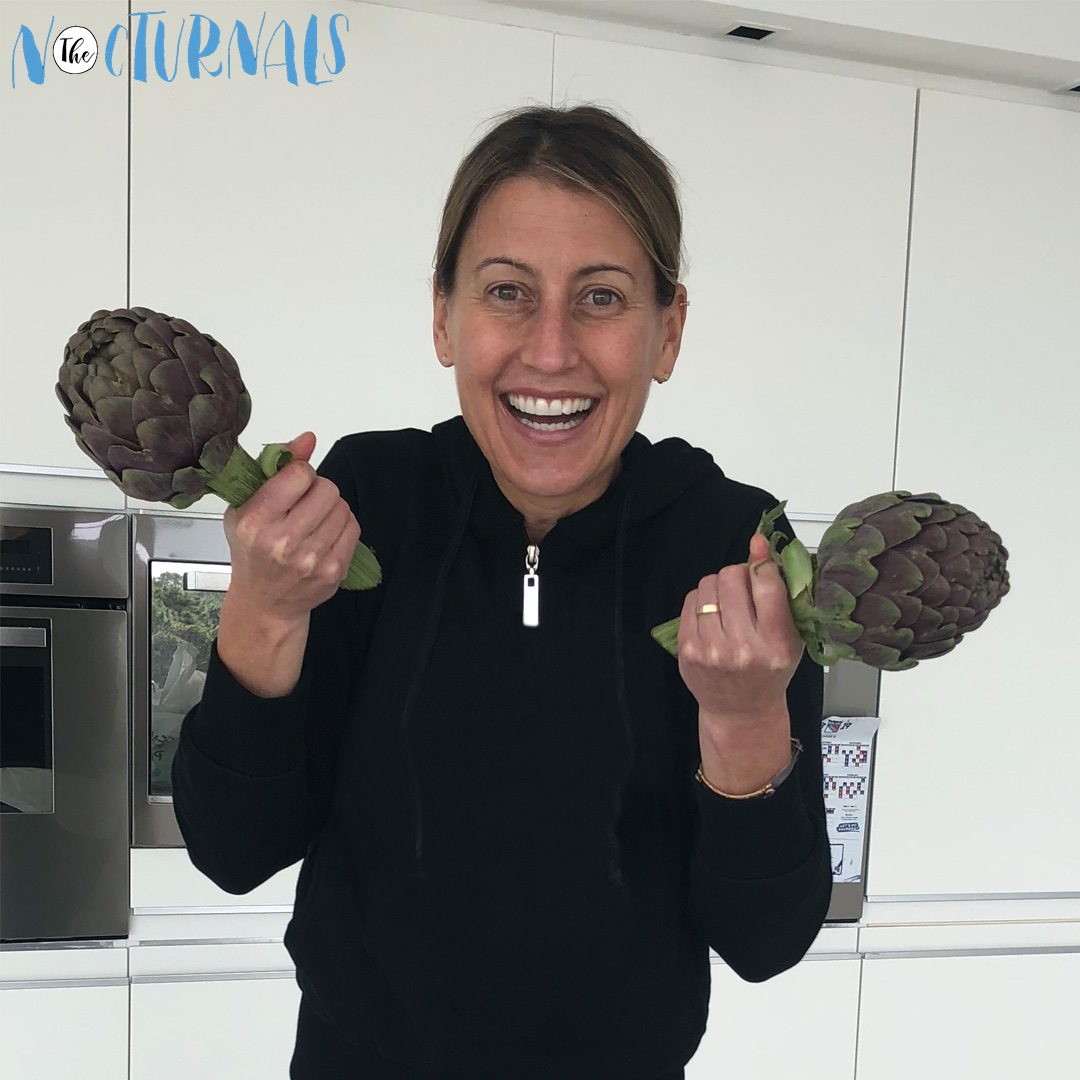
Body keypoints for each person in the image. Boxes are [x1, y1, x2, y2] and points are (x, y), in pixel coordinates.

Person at [172, 103, 832, 1080]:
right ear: (444, 316)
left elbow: (765, 937)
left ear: (668, 329)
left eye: (602, 297)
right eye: (508, 292)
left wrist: (743, 720)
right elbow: (234, 850)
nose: (552, 351)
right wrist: (264, 610)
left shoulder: (735, 548)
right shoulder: (369, 505)